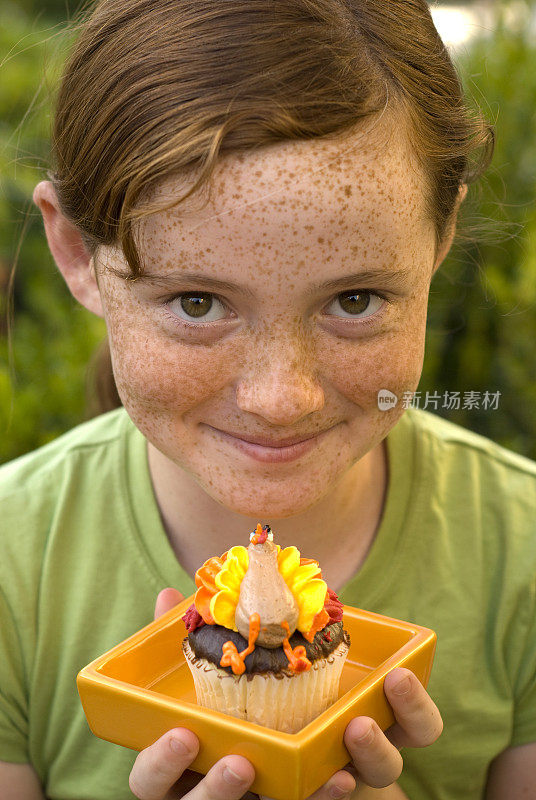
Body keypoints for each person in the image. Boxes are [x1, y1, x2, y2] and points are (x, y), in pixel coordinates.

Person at [1, 0, 535, 797]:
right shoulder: (14, 569)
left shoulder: (520, 555)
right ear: (77, 253)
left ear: (440, 235)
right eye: (196, 303)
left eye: (354, 300)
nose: (281, 398)